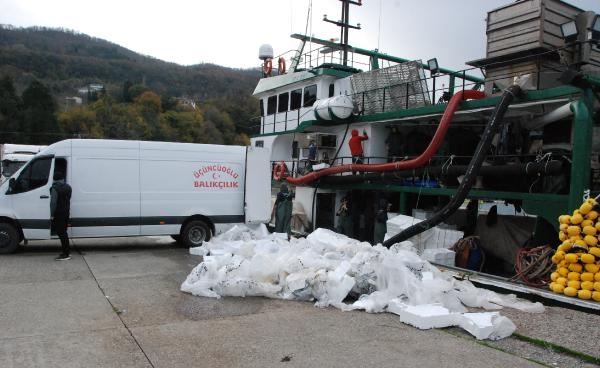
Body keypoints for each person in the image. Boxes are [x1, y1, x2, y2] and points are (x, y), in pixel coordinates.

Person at [51, 170, 72, 261]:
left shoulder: (54, 188)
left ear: (54, 179)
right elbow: (68, 199)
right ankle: (66, 252)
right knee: (64, 232)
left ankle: (66, 254)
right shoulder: (68, 187)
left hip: (58, 213)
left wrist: (51, 214)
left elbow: (53, 203)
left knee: (62, 233)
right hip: (66, 212)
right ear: (62, 179)